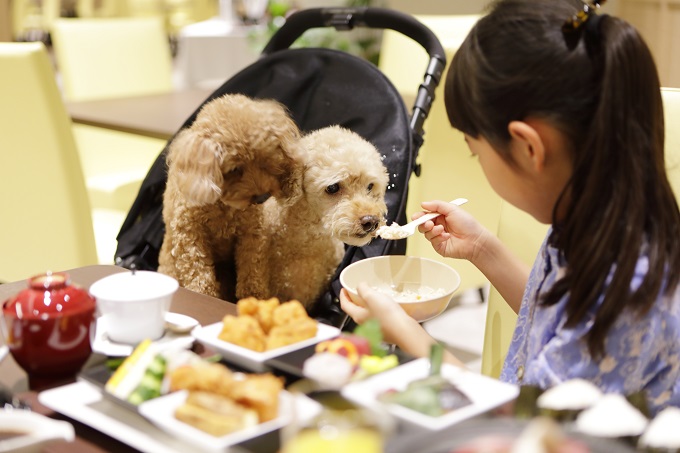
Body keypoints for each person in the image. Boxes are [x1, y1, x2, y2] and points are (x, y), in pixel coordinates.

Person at [340, 0, 680, 415]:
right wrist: (482, 248)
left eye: (474, 151)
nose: (477, 165)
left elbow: (524, 423)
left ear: (528, 147)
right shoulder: (593, 217)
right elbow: (551, 318)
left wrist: (405, 331)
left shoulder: (627, 292)